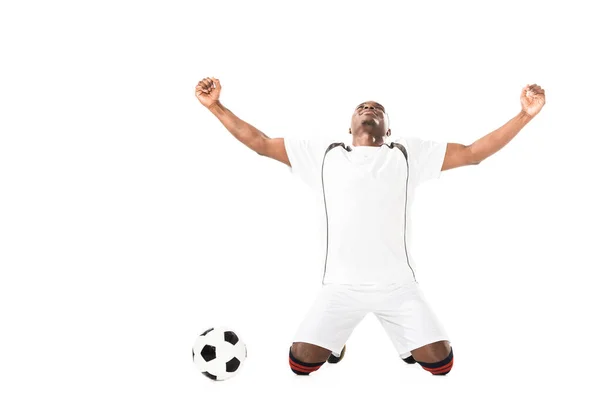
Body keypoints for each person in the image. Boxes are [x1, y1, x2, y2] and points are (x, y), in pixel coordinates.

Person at [195, 77, 546, 376]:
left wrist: (525, 115)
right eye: (362, 107)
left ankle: (405, 342)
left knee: (442, 366)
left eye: (377, 108)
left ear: (388, 128)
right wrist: (216, 106)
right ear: (349, 127)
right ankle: (337, 342)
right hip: (340, 288)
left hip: (399, 287)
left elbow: (472, 153)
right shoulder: (323, 153)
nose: (369, 108)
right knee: (299, 364)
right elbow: (260, 143)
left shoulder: (408, 154)